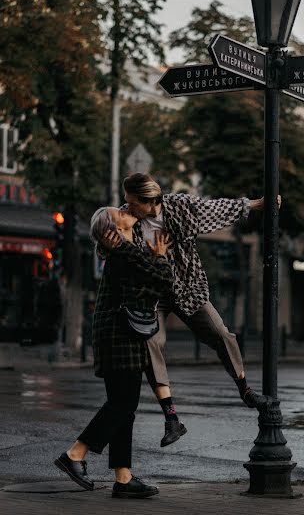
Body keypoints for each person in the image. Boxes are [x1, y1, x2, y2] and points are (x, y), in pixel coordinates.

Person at [118, 173, 280, 412]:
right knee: (152, 342)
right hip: (152, 294)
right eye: (127, 202)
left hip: (187, 287)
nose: (129, 207)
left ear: (150, 201)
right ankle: (170, 414)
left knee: (221, 333)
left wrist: (257, 204)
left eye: (133, 203)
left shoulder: (180, 207)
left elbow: (214, 208)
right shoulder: (125, 217)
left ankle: (245, 389)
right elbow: (109, 240)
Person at [55, 206, 174, 499]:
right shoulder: (124, 251)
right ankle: (74, 454)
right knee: (122, 404)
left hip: (118, 335)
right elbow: (164, 280)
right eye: (118, 212)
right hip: (120, 336)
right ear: (113, 230)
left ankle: (123, 478)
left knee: (124, 408)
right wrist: (159, 257)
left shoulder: (123, 252)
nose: (124, 209)